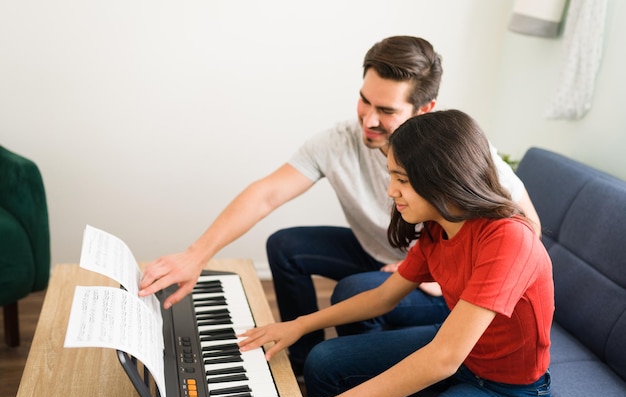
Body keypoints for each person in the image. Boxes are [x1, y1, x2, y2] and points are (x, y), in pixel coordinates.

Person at [139, 36, 541, 374]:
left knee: (352, 292)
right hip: (384, 254)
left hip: (432, 277)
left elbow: (527, 229)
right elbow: (266, 194)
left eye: (386, 111)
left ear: (425, 110)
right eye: (364, 101)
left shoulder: (457, 153)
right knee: (286, 246)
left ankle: (358, 381)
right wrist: (196, 254)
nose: (367, 120)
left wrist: (445, 278)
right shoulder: (339, 140)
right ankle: (297, 357)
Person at [238, 109, 554, 397]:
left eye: (400, 179)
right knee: (323, 359)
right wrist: (300, 324)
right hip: (465, 356)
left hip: (509, 392)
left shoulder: (509, 239)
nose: (391, 191)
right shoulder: (437, 228)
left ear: (442, 179)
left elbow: (443, 358)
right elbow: (382, 297)